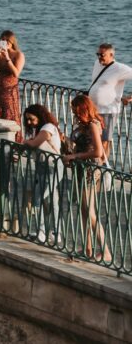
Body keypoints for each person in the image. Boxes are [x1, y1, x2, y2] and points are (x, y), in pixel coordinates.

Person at [63, 95, 109, 261]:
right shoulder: (84, 125)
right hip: (82, 169)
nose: (73, 113)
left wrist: (75, 156)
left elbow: (97, 152)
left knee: (90, 212)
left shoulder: (93, 125)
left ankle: (106, 251)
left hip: (90, 170)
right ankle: (87, 248)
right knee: (84, 210)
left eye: (75, 110)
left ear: (83, 109)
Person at [22, 103, 61, 242]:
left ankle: (42, 232)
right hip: (42, 166)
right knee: (52, 200)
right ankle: (56, 233)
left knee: (38, 198)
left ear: (39, 116)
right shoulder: (38, 130)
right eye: (27, 119)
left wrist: (25, 142)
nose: (29, 122)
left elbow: (34, 144)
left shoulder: (48, 127)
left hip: (52, 167)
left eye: (31, 119)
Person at [86, 43, 132, 159]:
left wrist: (130, 96)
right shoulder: (97, 63)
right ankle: (93, 162)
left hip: (108, 111)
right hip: (93, 109)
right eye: (97, 54)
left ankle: (102, 164)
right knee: (91, 139)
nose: (99, 57)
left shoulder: (119, 68)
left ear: (111, 55)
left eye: (102, 55)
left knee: (104, 141)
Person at [0, 30, 25, 132]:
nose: (5, 43)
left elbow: (16, 73)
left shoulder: (18, 55)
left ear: (12, 42)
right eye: (2, 40)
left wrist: (7, 58)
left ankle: (9, 135)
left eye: (7, 41)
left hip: (9, 90)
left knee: (9, 112)